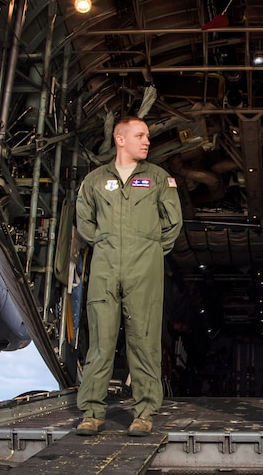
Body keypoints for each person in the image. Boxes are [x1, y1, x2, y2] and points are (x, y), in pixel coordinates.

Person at [74, 116, 183, 436]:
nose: (147, 141)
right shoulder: (94, 181)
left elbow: (172, 223)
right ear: (120, 139)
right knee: (100, 343)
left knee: (144, 341)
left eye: (147, 136)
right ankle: (92, 412)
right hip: (106, 268)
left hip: (144, 268)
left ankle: (144, 412)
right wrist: (108, 244)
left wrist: (147, 249)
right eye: (140, 136)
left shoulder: (159, 178)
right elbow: (85, 224)